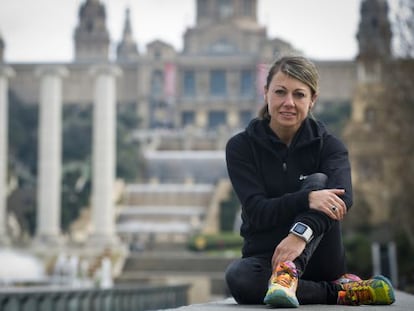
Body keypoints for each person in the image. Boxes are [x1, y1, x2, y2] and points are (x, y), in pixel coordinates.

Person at [224, 55, 395, 307]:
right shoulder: (240, 147)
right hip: (266, 256)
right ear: (266, 93)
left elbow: (343, 198)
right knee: (239, 278)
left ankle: (289, 273)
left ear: (312, 99)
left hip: (321, 258)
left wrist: (299, 235)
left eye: (299, 95)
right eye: (280, 92)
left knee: (319, 181)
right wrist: (306, 198)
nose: (288, 103)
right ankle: (340, 292)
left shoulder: (329, 145)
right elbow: (256, 210)